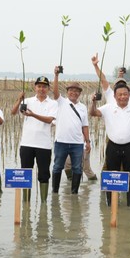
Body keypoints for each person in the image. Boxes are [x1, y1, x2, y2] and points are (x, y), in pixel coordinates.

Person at [89, 82, 130, 206]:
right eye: (120, 94)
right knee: (111, 176)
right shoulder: (108, 107)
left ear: (129, 95)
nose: (122, 97)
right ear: (115, 96)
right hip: (113, 147)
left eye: (125, 94)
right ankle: (111, 204)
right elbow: (93, 113)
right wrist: (93, 102)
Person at [11, 76, 57, 202]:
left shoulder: (53, 103)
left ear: (48, 88)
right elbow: (13, 112)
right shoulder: (27, 101)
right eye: (39, 86)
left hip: (44, 145)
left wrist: (33, 115)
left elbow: (49, 120)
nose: (41, 89)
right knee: (26, 174)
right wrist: (19, 99)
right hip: (27, 144)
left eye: (44, 87)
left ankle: (43, 205)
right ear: (35, 88)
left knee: (44, 175)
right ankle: (26, 203)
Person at [51, 67, 90, 195]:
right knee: (57, 166)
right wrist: (56, 75)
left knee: (77, 168)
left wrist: (88, 141)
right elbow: (55, 92)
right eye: (71, 90)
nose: (74, 93)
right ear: (67, 92)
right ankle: (55, 193)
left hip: (77, 143)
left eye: (76, 91)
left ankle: (74, 194)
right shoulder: (61, 102)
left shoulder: (83, 107)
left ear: (80, 93)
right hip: (61, 142)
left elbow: (85, 126)